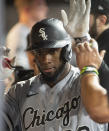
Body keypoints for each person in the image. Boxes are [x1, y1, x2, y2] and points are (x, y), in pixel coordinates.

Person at [3, 18, 108, 131]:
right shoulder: (19, 92)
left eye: (52, 51)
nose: (45, 59)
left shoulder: (90, 81)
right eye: (39, 52)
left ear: (66, 51)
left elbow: (101, 111)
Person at [6, 0, 48, 69]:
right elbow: (20, 69)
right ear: (27, 9)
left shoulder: (33, 31)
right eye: (40, 5)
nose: (45, 8)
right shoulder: (18, 33)